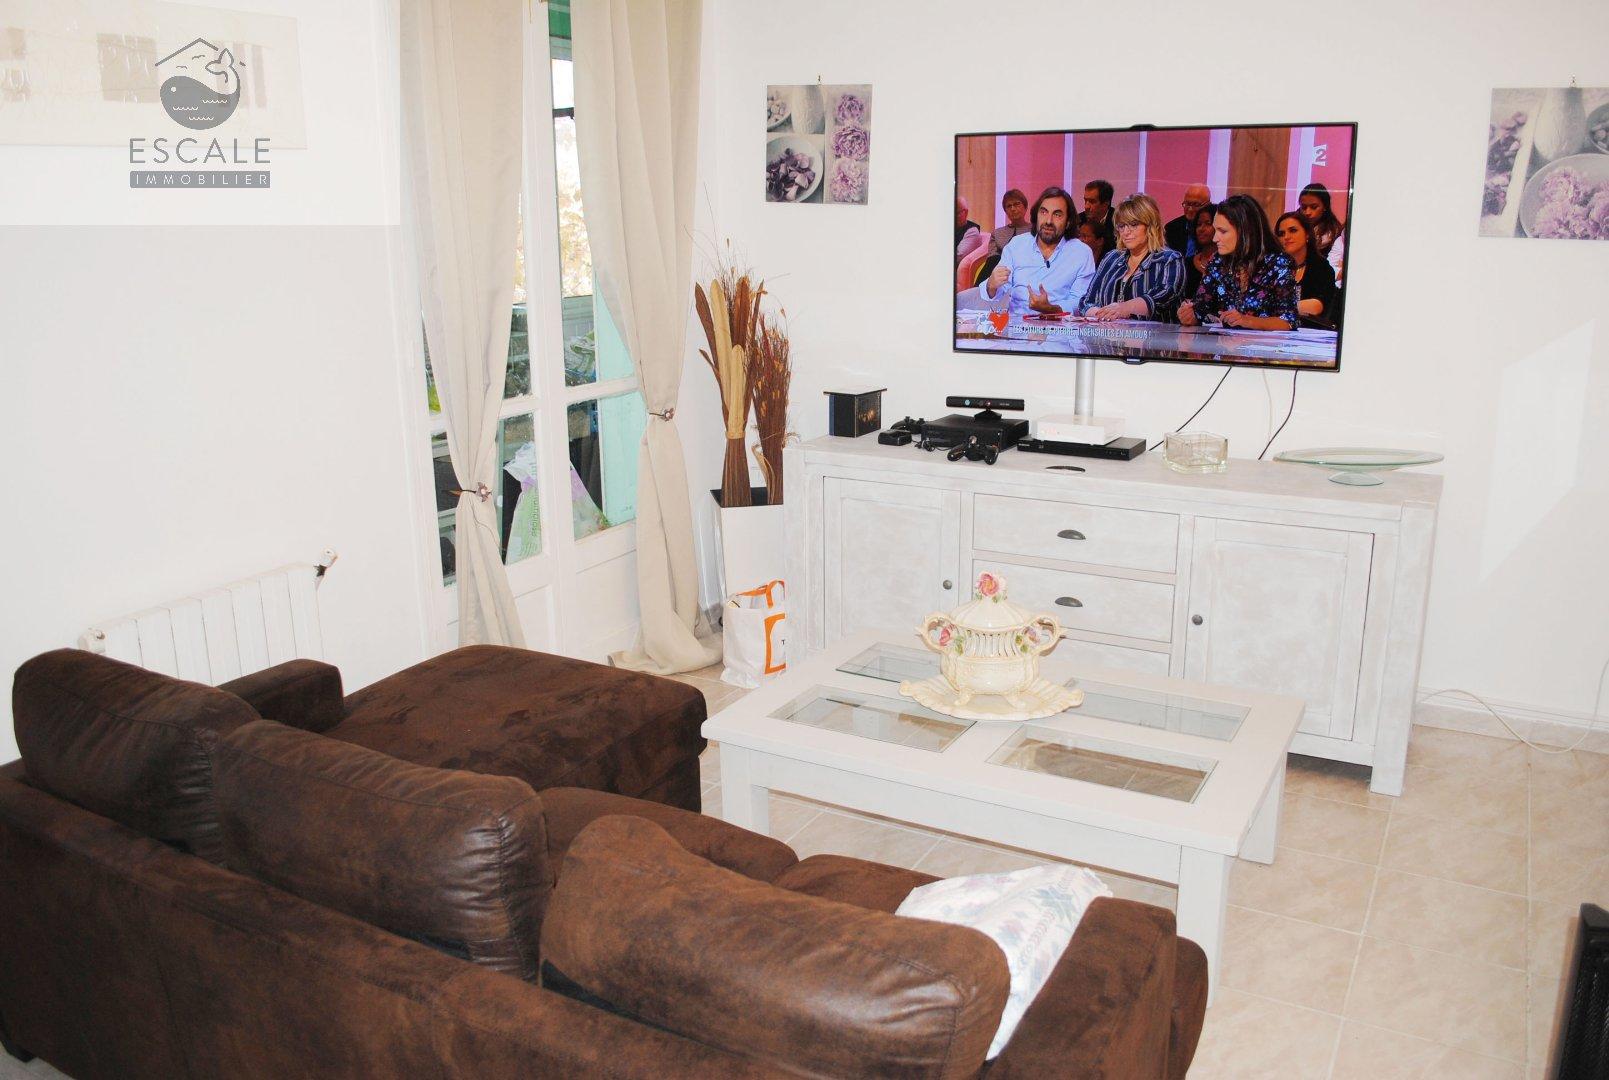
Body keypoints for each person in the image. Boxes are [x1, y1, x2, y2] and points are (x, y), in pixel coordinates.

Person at [1178, 193, 1297, 331]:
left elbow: (1288, 321)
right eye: (1216, 230)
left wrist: (1247, 321)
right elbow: (1201, 308)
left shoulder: (1278, 263)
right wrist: (1190, 314)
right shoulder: (1218, 262)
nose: (1215, 238)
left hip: (1266, 343)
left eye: (1223, 231)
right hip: (1226, 342)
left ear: (1246, 231)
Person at [980, 185, 1097, 316]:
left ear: (1068, 222)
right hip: (1018, 324)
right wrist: (991, 285)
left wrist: (1052, 309)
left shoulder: (1082, 253)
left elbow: (1081, 301)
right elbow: (998, 290)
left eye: (1057, 214)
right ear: (1036, 216)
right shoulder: (1017, 245)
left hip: (1061, 326)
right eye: (1043, 212)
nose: (1048, 221)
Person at [1075, 194, 1186, 322]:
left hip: (1154, 334)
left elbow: (1162, 297)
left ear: (1150, 226)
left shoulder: (1169, 260)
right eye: (1122, 226)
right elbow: (1086, 301)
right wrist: (1100, 315)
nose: (1126, 232)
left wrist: (1124, 308)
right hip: (1107, 332)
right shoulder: (1111, 258)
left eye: (1133, 224)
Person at [1274, 212, 1339, 329]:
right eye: (1281, 234)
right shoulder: (1273, 268)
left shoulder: (1321, 267)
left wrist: (1273, 307)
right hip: (1275, 330)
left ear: (1307, 234)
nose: (1286, 237)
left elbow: (1315, 306)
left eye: (1293, 230)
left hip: (1309, 332)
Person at [972, 188, 1032, 285]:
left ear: (1025, 207)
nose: (1013, 209)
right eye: (1009, 206)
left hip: (1028, 268)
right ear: (1005, 211)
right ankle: (979, 290)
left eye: (1017, 204)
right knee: (994, 260)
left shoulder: (1035, 231)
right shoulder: (997, 233)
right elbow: (992, 260)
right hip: (1002, 271)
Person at [1296, 183, 1346, 278]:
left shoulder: (1333, 232)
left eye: (1314, 207)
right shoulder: (1292, 224)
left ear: (1325, 207)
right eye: (1304, 207)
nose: (1307, 212)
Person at [1181, 202, 1217, 300]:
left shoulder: (1227, 264)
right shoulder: (1186, 264)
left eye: (1208, 224)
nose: (1201, 229)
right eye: (1198, 224)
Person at [1165, 183, 1212, 255]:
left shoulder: (1215, 228)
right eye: (1187, 204)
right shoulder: (1171, 229)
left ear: (1208, 205)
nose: (1190, 209)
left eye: (1196, 204)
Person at [1079, 179, 1116, 257]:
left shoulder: (1118, 221)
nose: (1086, 206)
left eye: (1092, 202)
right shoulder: (1078, 221)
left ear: (1105, 204)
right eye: (1085, 200)